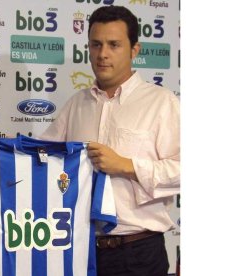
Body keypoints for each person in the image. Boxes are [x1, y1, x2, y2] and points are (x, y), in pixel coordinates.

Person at [39, 5, 179, 276]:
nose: (102, 54)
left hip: (139, 253)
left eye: (114, 45)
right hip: (79, 248)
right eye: (96, 44)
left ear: (134, 50)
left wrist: (126, 165)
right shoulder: (76, 105)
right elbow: (45, 157)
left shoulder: (161, 103)